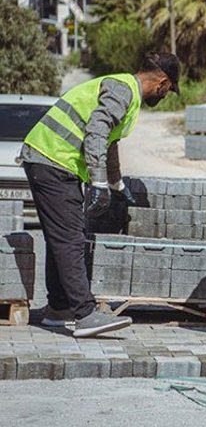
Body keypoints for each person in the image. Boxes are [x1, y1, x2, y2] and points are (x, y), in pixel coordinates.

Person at [21, 52, 181, 337]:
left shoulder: (125, 92)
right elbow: (96, 132)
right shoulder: (123, 90)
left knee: (62, 236)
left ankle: (59, 309)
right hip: (53, 158)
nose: (166, 95)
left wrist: (117, 185)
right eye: (170, 90)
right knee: (71, 238)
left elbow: (109, 146)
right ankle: (84, 314)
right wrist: (98, 182)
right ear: (163, 83)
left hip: (51, 160)